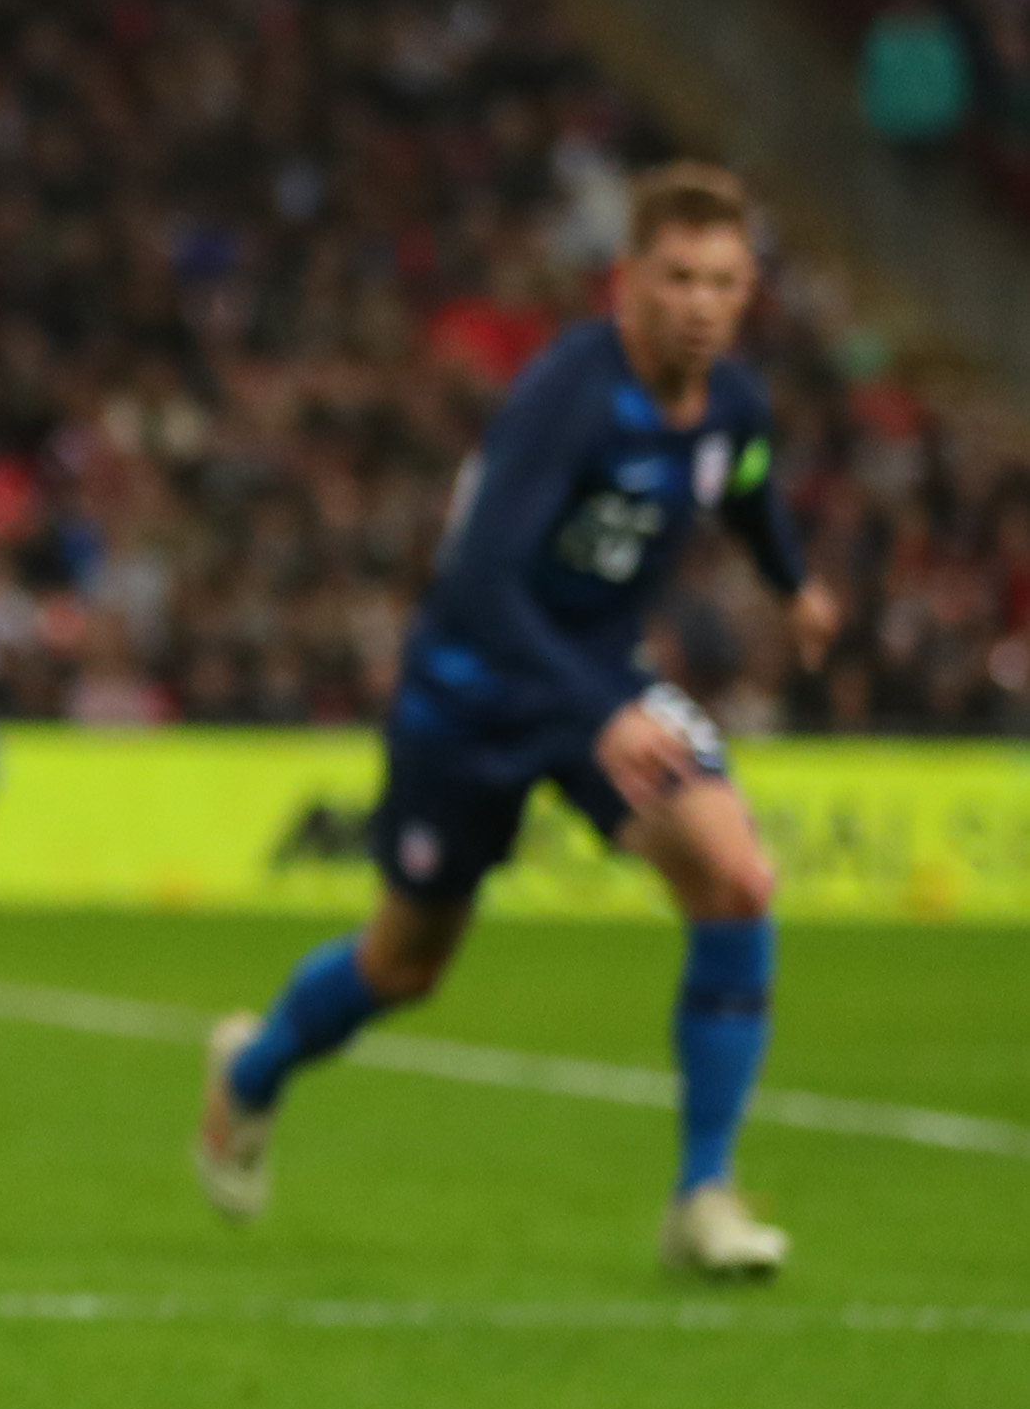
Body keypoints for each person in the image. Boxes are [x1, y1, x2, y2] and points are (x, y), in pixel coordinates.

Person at [198, 165, 841, 1275]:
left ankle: (702, 1199)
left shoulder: (730, 401)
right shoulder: (564, 398)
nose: (698, 302)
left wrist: (791, 585)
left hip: (597, 683)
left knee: (734, 878)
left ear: (746, 295)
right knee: (403, 964)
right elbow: (480, 583)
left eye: (722, 282)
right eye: (676, 277)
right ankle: (248, 1073)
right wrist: (594, 709)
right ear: (623, 283)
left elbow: (740, 480)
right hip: (471, 690)